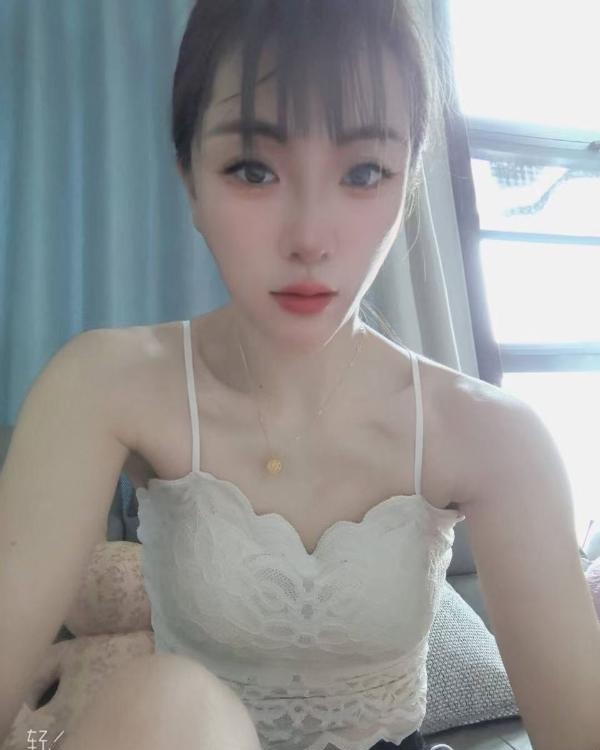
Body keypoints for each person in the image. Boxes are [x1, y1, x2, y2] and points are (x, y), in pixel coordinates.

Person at [2, 2, 599, 750]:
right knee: (166, 701)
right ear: (189, 180)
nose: (310, 237)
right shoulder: (104, 385)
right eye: (253, 170)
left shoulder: (492, 434)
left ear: (410, 183)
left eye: (364, 172)